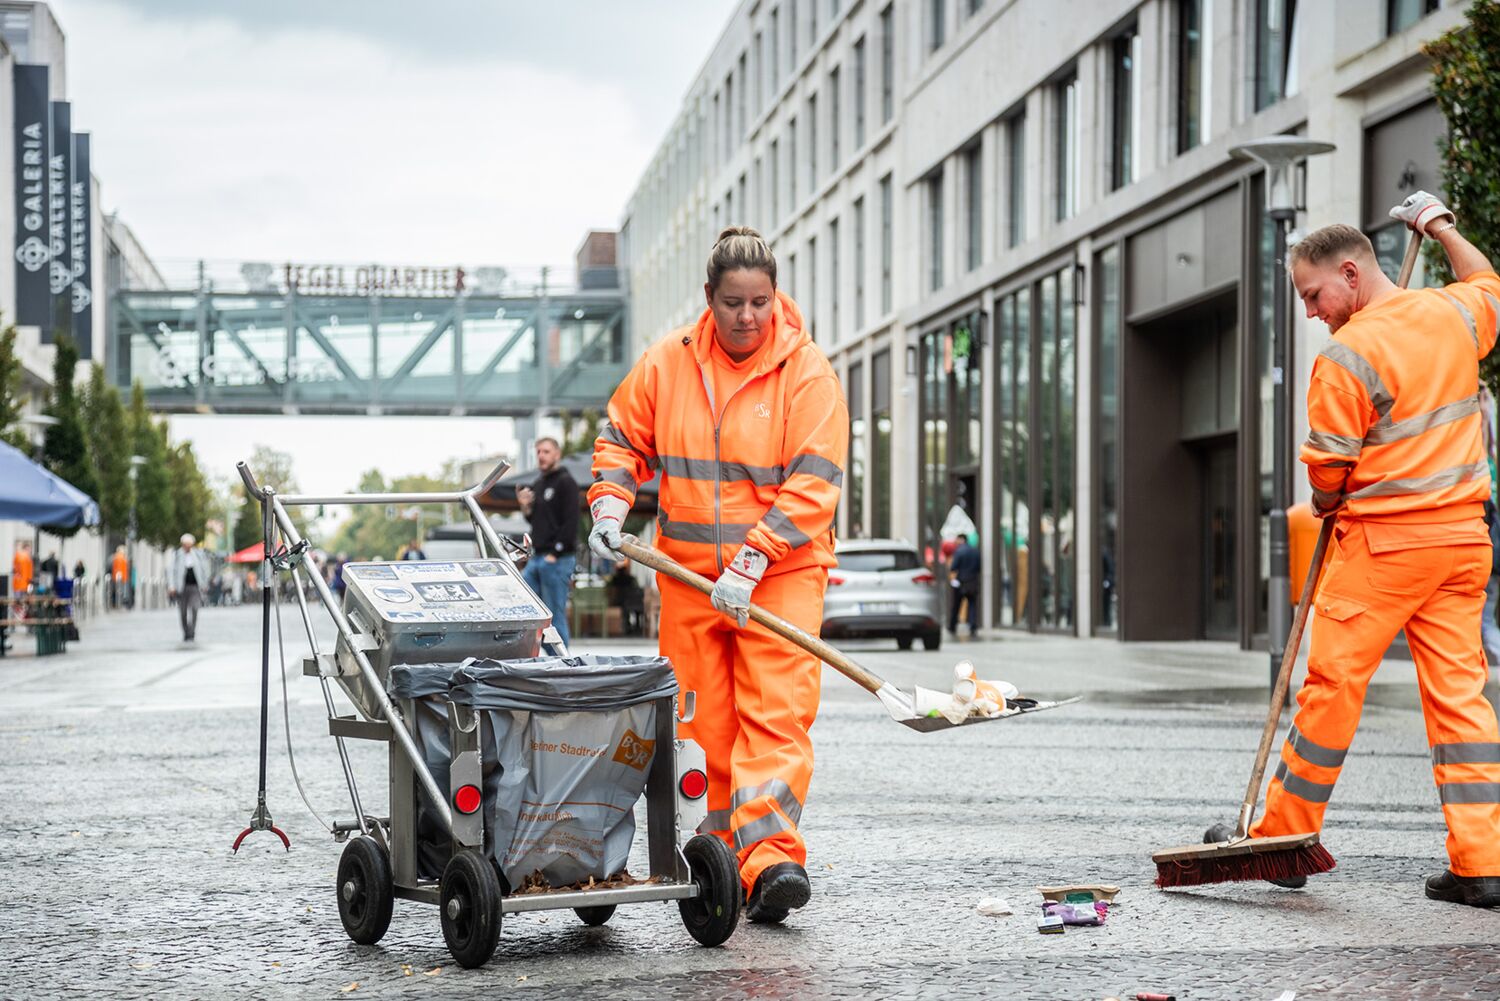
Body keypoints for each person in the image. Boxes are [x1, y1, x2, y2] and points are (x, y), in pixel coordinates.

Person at [1233, 193, 1500, 908]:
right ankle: (1484, 862)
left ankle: (1282, 842)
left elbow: (1326, 474)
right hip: (1463, 544)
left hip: (1384, 549)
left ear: (1350, 273)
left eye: (1314, 294)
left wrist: (1327, 499)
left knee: (1330, 692)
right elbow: (1488, 283)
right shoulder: (1452, 315)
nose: (1313, 311)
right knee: (1461, 701)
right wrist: (1439, 224)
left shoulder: (1347, 355)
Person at [588, 227, 848, 923]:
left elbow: (815, 480)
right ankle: (724, 854)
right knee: (706, 725)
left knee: (775, 715)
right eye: (734, 302)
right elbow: (620, 436)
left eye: (760, 301)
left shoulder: (808, 372)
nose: (748, 317)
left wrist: (757, 554)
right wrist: (612, 499)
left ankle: (771, 860)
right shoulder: (668, 363)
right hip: (689, 575)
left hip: (781, 574)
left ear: (776, 296)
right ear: (709, 299)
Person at [518, 436, 580, 646]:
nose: (541, 456)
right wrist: (525, 506)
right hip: (537, 557)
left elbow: (571, 522)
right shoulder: (539, 483)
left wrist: (555, 554)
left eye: (546, 452)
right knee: (528, 609)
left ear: (557, 454)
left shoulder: (566, 482)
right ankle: (538, 657)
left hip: (557, 558)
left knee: (553, 614)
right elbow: (534, 520)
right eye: (538, 452)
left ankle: (561, 664)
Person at [168, 533, 212, 642]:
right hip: (181, 587)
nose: (187, 546)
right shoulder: (177, 555)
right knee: (182, 612)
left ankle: (192, 631)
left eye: (189, 544)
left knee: (195, 609)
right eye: (185, 544)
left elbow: (204, 569)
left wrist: (205, 583)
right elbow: (171, 571)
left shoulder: (198, 554)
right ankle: (186, 631)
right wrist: (171, 586)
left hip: (195, 587)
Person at [948, 532, 981, 638]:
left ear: (962, 539)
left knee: (956, 605)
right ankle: (973, 626)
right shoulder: (975, 551)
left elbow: (953, 567)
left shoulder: (959, 551)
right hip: (972, 582)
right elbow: (978, 567)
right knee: (972, 605)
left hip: (961, 582)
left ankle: (953, 626)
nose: (956, 542)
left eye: (957, 539)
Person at [606, 559, 646, 636]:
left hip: (623, 601)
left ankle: (627, 627)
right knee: (636, 612)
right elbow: (637, 587)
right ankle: (637, 627)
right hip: (635, 601)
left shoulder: (615, 579)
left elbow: (610, 588)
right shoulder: (631, 579)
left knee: (626, 612)